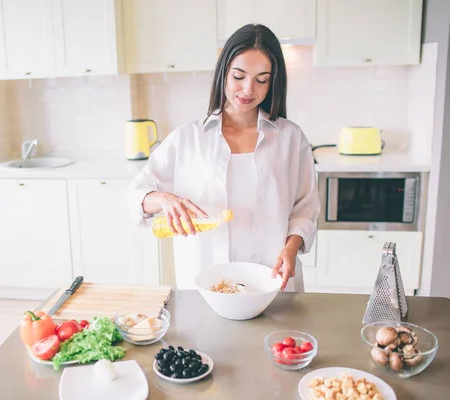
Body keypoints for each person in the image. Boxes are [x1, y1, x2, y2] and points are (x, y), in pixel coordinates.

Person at [127, 24, 320, 292]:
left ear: (273, 82)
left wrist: (291, 248)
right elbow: (136, 195)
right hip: (205, 284)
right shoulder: (188, 138)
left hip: (273, 282)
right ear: (223, 74)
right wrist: (163, 199)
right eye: (238, 76)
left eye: (261, 79)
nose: (248, 89)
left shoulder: (291, 138)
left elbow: (306, 208)